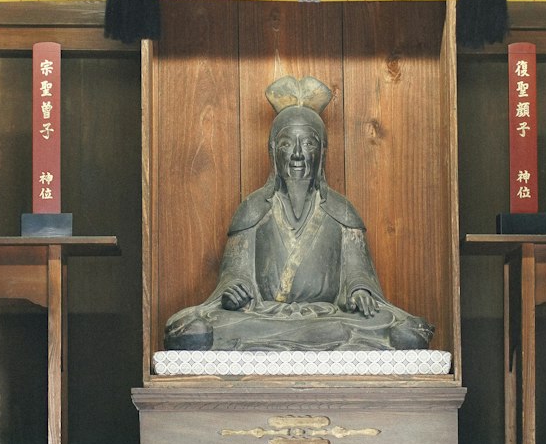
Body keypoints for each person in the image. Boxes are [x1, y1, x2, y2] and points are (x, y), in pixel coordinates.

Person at [164, 75, 434, 351]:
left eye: (308, 143)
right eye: (285, 144)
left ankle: (288, 343)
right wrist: (234, 290)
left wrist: (358, 291)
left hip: (326, 317)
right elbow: (234, 278)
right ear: (272, 151)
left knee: (404, 330)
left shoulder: (341, 210)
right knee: (189, 329)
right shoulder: (253, 209)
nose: (297, 154)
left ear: (322, 152)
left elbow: (357, 274)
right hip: (264, 317)